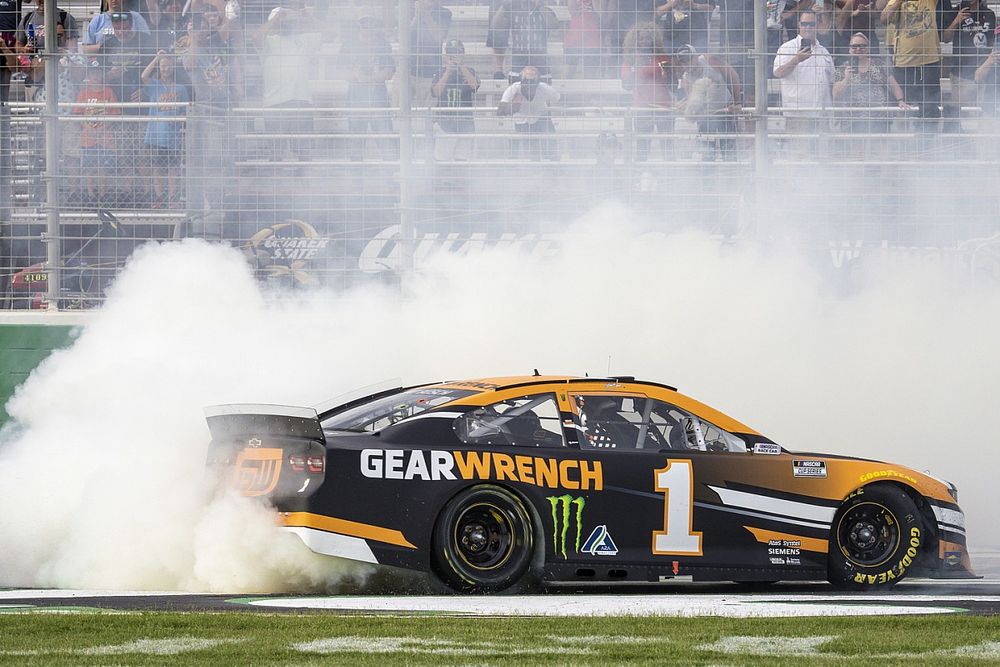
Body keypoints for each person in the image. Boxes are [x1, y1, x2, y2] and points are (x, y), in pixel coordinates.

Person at [255, 0, 321, 160]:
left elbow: (329, 33)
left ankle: (304, 181)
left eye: (287, 18)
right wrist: (277, 17)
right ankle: (276, 183)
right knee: (276, 152)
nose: (286, 20)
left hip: (301, 99)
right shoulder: (268, 42)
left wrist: (305, 14)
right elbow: (256, 36)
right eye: (281, 18)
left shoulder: (304, 39)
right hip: (273, 102)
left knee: (304, 151)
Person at [878, 0, 957, 130]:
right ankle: (904, 145)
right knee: (902, 107)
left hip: (929, 62)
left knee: (930, 107)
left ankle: (927, 142)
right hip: (904, 62)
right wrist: (898, 2)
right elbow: (884, 19)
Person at [342, 15, 395, 161]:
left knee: (386, 141)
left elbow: (389, 72)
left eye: (372, 25)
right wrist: (358, 76)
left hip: (378, 100)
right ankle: (356, 180)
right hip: (356, 100)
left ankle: (391, 179)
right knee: (356, 143)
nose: (368, 29)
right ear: (359, 26)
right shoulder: (349, 45)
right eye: (365, 25)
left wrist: (366, 78)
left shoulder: (383, 45)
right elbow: (343, 73)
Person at [675, 44, 742, 159]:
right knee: (706, 151)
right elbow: (693, 102)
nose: (687, 64)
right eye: (683, 62)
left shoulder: (710, 61)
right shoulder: (686, 79)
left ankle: (732, 174)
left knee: (729, 149)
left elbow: (733, 76)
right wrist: (688, 109)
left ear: (695, 57)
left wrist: (737, 102)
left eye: (689, 59)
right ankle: (707, 175)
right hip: (705, 115)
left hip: (725, 110)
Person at [773, 10, 836, 134]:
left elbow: (832, 80)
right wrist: (796, 59)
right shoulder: (787, 47)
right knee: (798, 153)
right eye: (804, 24)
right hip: (798, 115)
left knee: (822, 153)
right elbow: (778, 72)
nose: (807, 27)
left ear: (817, 25)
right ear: (798, 25)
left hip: (821, 114)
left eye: (811, 24)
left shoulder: (824, 51)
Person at [832, 32, 907, 133]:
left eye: (862, 46)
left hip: (879, 118)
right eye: (854, 47)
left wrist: (900, 100)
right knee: (857, 148)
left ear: (868, 49)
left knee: (880, 148)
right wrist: (846, 80)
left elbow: (893, 85)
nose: (858, 49)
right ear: (849, 50)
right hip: (852, 120)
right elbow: (835, 95)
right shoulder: (842, 69)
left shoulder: (880, 64)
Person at [620, 22, 673, 160]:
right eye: (641, 38)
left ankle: (670, 178)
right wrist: (636, 67)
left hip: (664, 107)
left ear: (654, 40)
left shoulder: (662, 58)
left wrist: (669, 72)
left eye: (648, 38)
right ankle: (640, 178)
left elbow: (673, 83)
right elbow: (627, 85)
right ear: (635, 41)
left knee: (667, 147)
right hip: (642, 108)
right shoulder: (630, 60)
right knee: (642, 148)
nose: (645, 42)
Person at [142, 51, 188, 206]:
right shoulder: (155, 85)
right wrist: (156, 58)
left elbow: (184, 111)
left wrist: (178, 119)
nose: (166, 69)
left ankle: (172, 197)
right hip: (156, 135)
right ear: (159, 68)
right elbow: (144, 77)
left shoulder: (180, 89)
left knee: (172, 167)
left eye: (169, 65)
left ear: (174, 67)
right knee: (157, 167)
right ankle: (159, 197)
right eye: (163, 66)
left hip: (173, 137)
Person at [73, 61, 120, 204]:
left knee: (102, 167)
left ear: (102, 75)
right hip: (88, 137)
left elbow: (115, 113)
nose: (95, 76)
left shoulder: (108, 91)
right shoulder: (84, 92)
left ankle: (103, 194)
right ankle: (91, 194)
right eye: (92, 73)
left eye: (98, 73)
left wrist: (104, 127)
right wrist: (86, 127)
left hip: (104, 136)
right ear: (88, 75)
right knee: (89, 167)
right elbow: (77, 114)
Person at [946, 0, 996, 130]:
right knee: (961, 115)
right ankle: (962, 144)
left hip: (983, 71)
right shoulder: (955, 11)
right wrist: (956, 21)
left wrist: (988, 63)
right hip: (961, 72)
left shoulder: (989, 14)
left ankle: (981, 143)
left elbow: (992, 41)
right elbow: (945, 38)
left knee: (982, 115)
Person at [431, 38, 479, 161]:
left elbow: (474, 86)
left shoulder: (470, 71)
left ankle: (460, 180)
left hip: (465, 123)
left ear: (463, 55)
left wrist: (461, 67)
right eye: (451, 54)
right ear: (446, 56)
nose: (454, 57)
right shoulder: (440, 72)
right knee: (442, 160)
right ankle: (442, 180)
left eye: (457, 53)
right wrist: (448, 71)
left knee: (462, 160)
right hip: (444, 123)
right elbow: (436, 92)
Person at [498, 64, 559, 159]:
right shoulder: (515, 87)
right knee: (532, 150)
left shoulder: (543, 87)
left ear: (537, 76)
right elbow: (501, 109)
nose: (530, 71)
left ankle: (552, 164)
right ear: (522, 74)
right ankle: (527, 165)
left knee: (550, 140)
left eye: (533, 71)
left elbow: (557, 98)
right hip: (522, 121)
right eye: (527, 70)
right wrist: (515, 106)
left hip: (540, 119)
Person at [491, 0, 558, 79]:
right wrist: (505, 5)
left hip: (541, 62)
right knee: (515, 88)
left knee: (543, 88)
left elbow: (554, 25)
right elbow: (495, 25)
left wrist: (540, 6)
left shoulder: (544, 10)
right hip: (518, 62)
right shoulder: (514, 11)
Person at [81, 0, 151, 54]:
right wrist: (106, 47)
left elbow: (148, 42)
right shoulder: (97, 20)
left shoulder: (135, 17)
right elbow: (85, 50)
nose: (114, 0)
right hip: (105, 64)